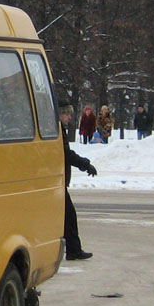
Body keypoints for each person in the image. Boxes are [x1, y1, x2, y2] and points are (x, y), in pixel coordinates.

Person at [60, 105, 97, 260]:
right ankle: (73, 250)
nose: (69, 118)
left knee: (67, 217)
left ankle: (72, 249)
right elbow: (66, 154)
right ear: (61, 114)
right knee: (69, 217)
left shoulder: (57, 129)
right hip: (56, 182)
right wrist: (85, 164)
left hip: (57, 181)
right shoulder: (56, 131)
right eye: (67, 114)